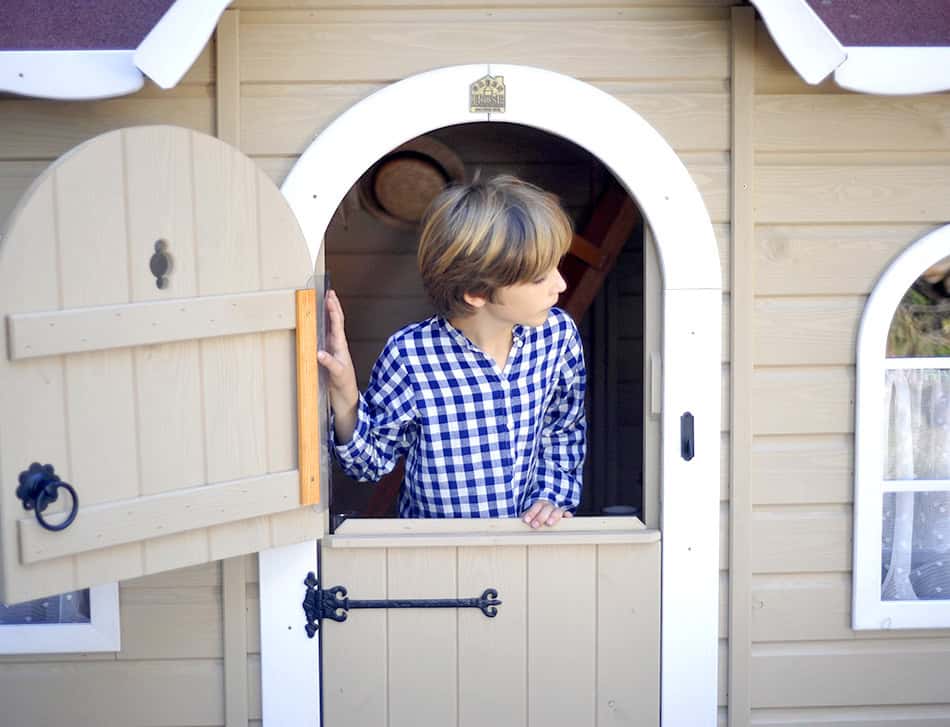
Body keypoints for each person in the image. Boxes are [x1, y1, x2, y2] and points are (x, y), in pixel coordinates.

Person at [317, 175, 586, 528]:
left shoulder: (558, 336)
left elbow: (563, 428)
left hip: (528, 545)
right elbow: (369, 464)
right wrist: (345, 392)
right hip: (437, 558)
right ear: (476, 293)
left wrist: (552, 495)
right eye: (539, 278)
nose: (561, 285)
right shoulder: (412, 357)